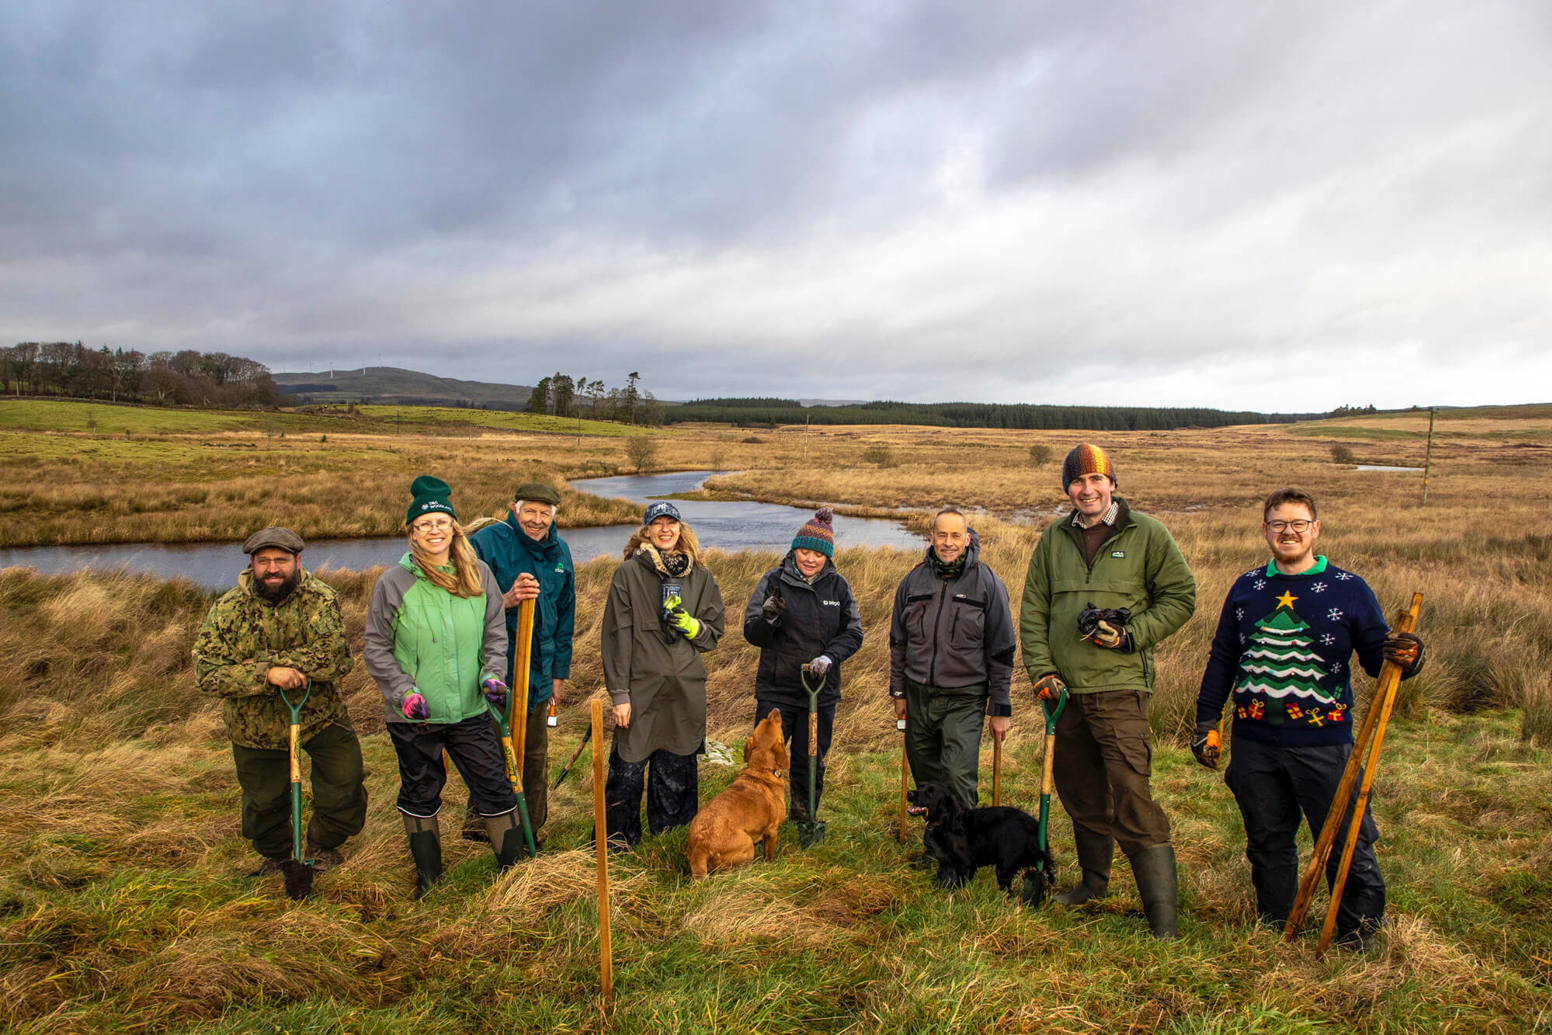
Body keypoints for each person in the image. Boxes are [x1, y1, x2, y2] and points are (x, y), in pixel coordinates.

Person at [1192, 486, 1425, 947]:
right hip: (1254, 742)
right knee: (1267, 839)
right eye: (1278, 523)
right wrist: (1207, 722)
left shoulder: (1349, 589)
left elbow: (1379, 661)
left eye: (1298, 523)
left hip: (1325, 744)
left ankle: (1358, 934)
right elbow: (1223, 658)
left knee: (1346, 838)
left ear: (1315, 529)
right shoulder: (1246, 587)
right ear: (1265, 530)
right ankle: (1276, 926)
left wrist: (1409, 656)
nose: (1288, 532)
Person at [1019, 443, 1196, 938]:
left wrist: (1131, 635)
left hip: (1120, 689)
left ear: (1112, 484)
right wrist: (1041, 671)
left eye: (1096, 479)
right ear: (1068, 489)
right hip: (1063, 695)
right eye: (1077, 481)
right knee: (1080, 792)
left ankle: (1163, 924)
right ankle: (1092, 886)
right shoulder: (1053, 539)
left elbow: (1181, 597)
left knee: (1131, 795)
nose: (1087, 489)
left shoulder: (1148, 533)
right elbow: (1033, 610)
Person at [363, 476, 521, 898]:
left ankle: (516, 874)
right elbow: (375, 646)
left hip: (471, 709)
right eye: (424, 524)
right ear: (412, 532)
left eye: (441, 522)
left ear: (454, 528)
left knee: (494, 785)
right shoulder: (393, 582)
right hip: (415, 714)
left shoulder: (479, 574)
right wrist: (403, 692)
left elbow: (494, 635)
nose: (434, 530)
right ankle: (429, 881)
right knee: (421, 790)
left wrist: (492, 675)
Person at [193, 526, 366, 877]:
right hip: (253, 726)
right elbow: (207, 673)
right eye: (263, 561)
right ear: (252, 565)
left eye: (281, 560)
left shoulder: (321, 599)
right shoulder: (227, 609)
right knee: (264, 804)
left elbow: (336, 659)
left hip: (320, 715)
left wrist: (259, 663)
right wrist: (268, 674)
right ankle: (278, 855)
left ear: (297, 561)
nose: (272, 568)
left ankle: (322, 846)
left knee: (345, 782)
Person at [601, 501, 725, 850]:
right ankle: (617, 842)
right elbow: (616, 636)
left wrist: (690, 625)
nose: (665, 529)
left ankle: (671, 843)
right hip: (640, 692)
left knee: (676, 773)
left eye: (672, 523)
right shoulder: (628, 574)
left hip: (684, 693)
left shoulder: (700, 576)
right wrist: (620, 694)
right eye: (658, 523)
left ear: (681, 529)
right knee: (626, 772)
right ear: (646, 531)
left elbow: (713, 632)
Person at [463, 481, 575, 843]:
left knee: (535, 754)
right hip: (495, 670)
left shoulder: (560, 553)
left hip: (540, 674)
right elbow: (461, 605)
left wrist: (559, 673)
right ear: (514, 510)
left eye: (545, 513)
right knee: (492, 751)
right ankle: (483, 825)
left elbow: (565, 617)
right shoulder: (486, 544)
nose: (537, 520)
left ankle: (530, 828)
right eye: (530, 511)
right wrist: (506, 599)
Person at [889, 507, 1017, 815]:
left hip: (964, 697)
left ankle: (963, 843)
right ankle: (937, 838)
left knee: (958, 776)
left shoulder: (988, 583)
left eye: (956, 535)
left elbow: (1002, 649)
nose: (948, 542)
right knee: (926, 780)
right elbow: (898, 642)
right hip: (918, 695)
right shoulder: (912, 581)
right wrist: (899, 692)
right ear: (932, 538)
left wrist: (1000, 708)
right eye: (942, 535)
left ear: (967, 539)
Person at [742, 506, 864, 822]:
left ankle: (803, 818)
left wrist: (829, 657)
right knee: (763, 760)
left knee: (809, 760)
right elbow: (752, 632)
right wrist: (768, 619)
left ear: (828, 556)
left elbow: (853, 633)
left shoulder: (839, 587)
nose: (810, 559)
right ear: (794, 549)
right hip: (777, 690)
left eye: (818, 554)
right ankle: (758, 819)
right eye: (805, 551)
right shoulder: (773, 580)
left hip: (820, 693)